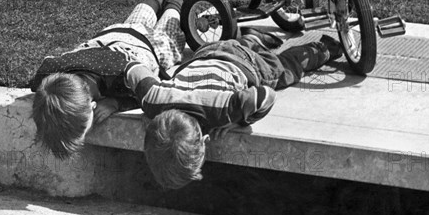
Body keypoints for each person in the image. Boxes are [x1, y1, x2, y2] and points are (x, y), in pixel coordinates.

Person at [124, 29, 343, 190]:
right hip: (204, 53)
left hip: (244, 63)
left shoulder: (224, 111)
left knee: (284, 70)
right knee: (236, 46)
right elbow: (133, 68)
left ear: (204, 141)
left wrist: (240, 121)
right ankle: (251, 39)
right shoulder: (153, 100)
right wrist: (147, 110)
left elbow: (266, 96)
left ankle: (322, 49)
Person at [31, 0, 187, 159]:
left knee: (171, 35)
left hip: (149, 45)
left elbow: (153, 92)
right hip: (113, 34)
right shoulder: (51, 72)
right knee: (138, 18)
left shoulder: (120, 76)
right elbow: (43, 74)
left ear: (92, 107)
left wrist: (115, 103)